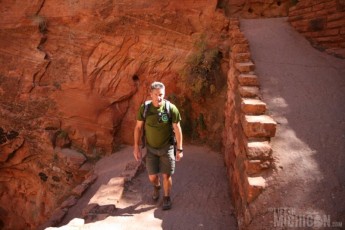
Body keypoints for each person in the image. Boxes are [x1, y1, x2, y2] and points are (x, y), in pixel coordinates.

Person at [133, 81, 183, 210]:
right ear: (151, 94)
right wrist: (136, 147)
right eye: (156, 94)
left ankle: (166, 197)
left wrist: (180, 149)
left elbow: (177, 129)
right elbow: (138, 128)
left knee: (166, 175)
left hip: (167, 148)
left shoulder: (170, 108)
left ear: (164, 94)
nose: (159, 97)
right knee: (152, 176)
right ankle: (156, 186)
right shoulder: (145, 109)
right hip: (151, 149)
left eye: (161, 94)